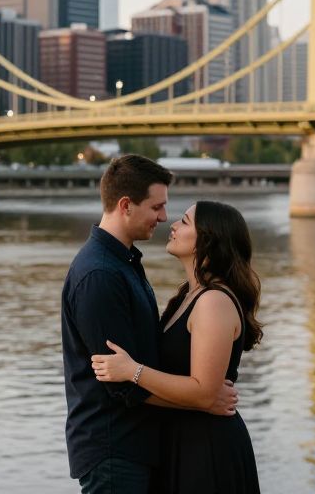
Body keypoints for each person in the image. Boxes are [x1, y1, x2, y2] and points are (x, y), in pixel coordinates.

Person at [61, 156, 239, 493]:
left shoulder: (124, 263)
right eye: (156, 207)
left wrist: (201, 396)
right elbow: (121, 387)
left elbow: (139, 362)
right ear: (126, 205)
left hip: (138, 447)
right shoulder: (100, 275)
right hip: (115, 448)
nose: (163, 217)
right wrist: (203, 399)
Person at [91, 200, 263, 494]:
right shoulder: (189, 295)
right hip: (180, 441)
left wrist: (132, 371)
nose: (171, 224)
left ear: (207, 240)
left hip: (206, 449)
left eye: (184, 222)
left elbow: (204, 392)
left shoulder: (213, 302)